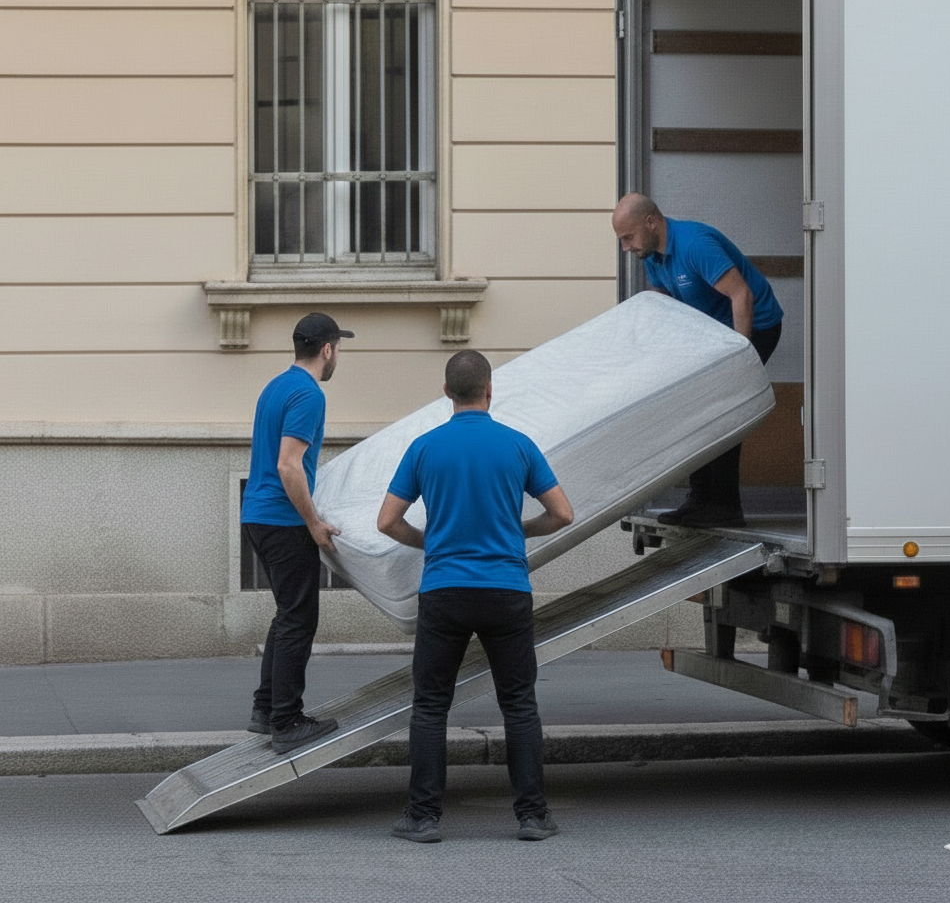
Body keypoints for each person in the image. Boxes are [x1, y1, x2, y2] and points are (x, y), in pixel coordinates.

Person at [377, 350, 574, 843]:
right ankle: (532, 816)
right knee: (519, 703)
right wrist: (518, 529)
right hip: (506, 588)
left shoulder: (424, 447)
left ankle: (422, 817)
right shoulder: (518, 445)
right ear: (490, 391)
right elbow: (563, 515)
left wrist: (433, 540)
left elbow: (386, 521)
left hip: (444, 589)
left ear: (447, 393)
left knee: (431, 706)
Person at [611, 192, 783, 528]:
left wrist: (740, 358)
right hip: (713, 335)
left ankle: (723, 507)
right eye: (621, 240)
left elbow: (741, 295)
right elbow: (666, 306)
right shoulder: (653, 257)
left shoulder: (694, 245)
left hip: (755, 325)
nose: (626, 248)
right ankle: (701, 500)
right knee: (694, 409)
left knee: (721, 412)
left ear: (651, 222)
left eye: (628, 237)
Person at [241, 312, 354, 754]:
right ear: (327, 349)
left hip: (258, 516)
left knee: (287, 614)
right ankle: (286, 722)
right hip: (284, 520)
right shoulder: (309, 394)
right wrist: (313, 522)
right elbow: (289, 464)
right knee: (299, 619)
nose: (337, 356)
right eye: (338, 348)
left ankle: (266, 709)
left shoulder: (276, 385)